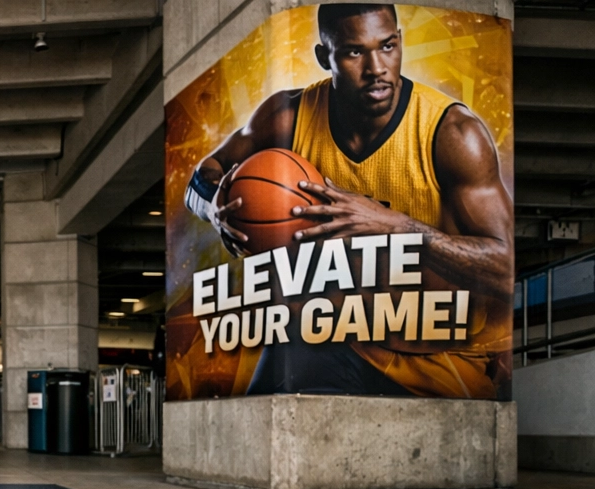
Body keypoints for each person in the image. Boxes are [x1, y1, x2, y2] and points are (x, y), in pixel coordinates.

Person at [188, 2, 513, 398]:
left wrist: (397, 228)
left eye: (388, 46)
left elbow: (504, 267)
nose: (377, 67)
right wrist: (215, 210)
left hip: (436, 360)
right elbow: (202, 178)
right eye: (355, 52)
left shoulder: (453, 134)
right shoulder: (290, 115)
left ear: (400, 43)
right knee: (261, 416)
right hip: (331, 334)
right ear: (325, 57)